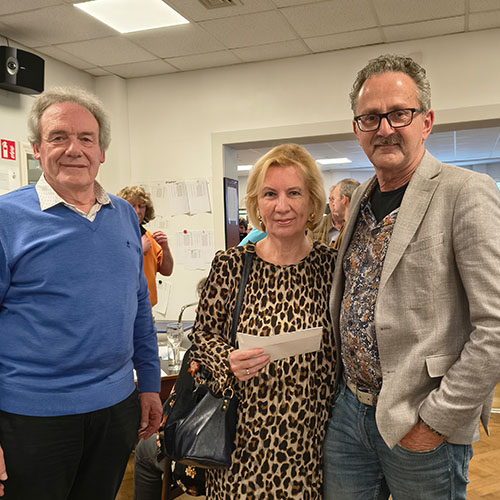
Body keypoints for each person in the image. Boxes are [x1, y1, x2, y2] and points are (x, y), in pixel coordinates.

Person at [323, 54, 500, 500]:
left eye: (399, 113)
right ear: (357, 129)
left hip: (419, 419)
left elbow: (495, 324)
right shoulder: (360, 199)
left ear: (426, 122)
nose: (384, 128)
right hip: (350, 412)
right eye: (370, 117)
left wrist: (437, 420)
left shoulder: (465, 192)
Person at [0, 87, 163, 500]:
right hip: (31, 419)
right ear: (37, 149)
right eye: (58, 137)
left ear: (101, 151)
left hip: (116, 409)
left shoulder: (123, 215)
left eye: (86, 138)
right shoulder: (7, 219)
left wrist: (148, 384)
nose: (74, 149)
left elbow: (138, 306)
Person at [189, 143, 337, 498]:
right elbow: (202, 335)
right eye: (270, 194)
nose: (281, 206)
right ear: (257, 203)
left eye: (294, 193)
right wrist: (227, 359)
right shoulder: (231, 265)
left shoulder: (332, 268)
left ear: (312, 201)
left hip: (312, 448)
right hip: (240, 447)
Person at [133, 277, 208, 500]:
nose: (197, 309)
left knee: (144, 449)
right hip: (250, 454)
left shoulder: (200, 355)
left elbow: (171, 415)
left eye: (202, 303)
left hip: (204, 456)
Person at [117, 186, 174, 307]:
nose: (137, 211)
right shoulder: (116, 235)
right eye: (132, 206)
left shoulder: (148, 236)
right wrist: (140, 250)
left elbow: (167, 271)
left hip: (146, 308)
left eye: (141, 206)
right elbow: (116, 270)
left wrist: (165, 248)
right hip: (124, 307)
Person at [328, 178, 359, 250]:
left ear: (343, 199)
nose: (333, 203)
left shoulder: (353, 229)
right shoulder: (347, 226)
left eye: (334, 199)